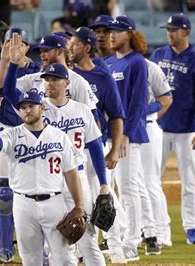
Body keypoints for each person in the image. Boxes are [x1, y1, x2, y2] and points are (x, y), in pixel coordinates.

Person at [4, 33, 109, 265]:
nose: (49, 82)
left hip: (77, 178)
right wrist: (11, 63)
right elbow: (10, 94)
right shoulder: (40, 110)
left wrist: (103, 184)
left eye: (54, 79)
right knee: (58, 249)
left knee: (87, 239)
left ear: (66, 82)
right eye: (46, 79)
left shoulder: (81, 110)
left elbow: (95, 146)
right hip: (49, 181)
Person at [0, 90, 85, 266]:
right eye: (23, 108)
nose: (27, 110)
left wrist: (78, 206)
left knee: (65, 259)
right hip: (23, 204)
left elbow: (71, 173)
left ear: (42, 108)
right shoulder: (12, 135)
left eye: (31, 106)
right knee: (30, 259)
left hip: (54, 203)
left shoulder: (59, 136)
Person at [150, 14, 195, 245]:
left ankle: (192, 227)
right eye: (168, 29)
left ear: (185, 32)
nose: (170, 33)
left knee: (189, 181)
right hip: (160, 127)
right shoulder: (158, 55)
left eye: (174, 29)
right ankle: (156, 227)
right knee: (152, 180)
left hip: (188, 130)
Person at [67, 26, 127, 263]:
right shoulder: (66, 77)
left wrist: (114, 149)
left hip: (94, 148)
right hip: (69, 152)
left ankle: (116, 248)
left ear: (87, 47)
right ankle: (80, 251)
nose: (70, 47)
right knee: (75, 200)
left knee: (103, 201)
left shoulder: (102, 78)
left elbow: (116, 116)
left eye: (75, 43)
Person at [0, 27, 41, 264]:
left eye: (18, 44)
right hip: (5, 134)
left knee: (37, 190)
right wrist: (5, 61)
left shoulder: (36, 70)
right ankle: (5, 248)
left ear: (26, 47)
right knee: (3, 193)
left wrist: (18, 61)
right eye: (9, 43)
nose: (13, 48)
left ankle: (42, 247)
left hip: (34, 136)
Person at [105, 15, 150, 260]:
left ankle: (132, 241)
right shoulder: (110, 62)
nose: (112, 35)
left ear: (130, 34)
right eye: (110, 31)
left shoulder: (137, 63)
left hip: (128, 136)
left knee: (128, 188)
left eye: (117, 31)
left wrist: (125, 135)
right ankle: (121, 232)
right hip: (110, 134)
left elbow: (137, 104)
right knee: (106, 188)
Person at [138, 57, 172, 253]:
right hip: (125, 130)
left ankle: (162, 232)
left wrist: (148, 112)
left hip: (148, 127)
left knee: (150, 182)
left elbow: (167, 97)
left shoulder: (150, 67)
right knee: (132, 185)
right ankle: (139, 231)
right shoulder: (111, 63)